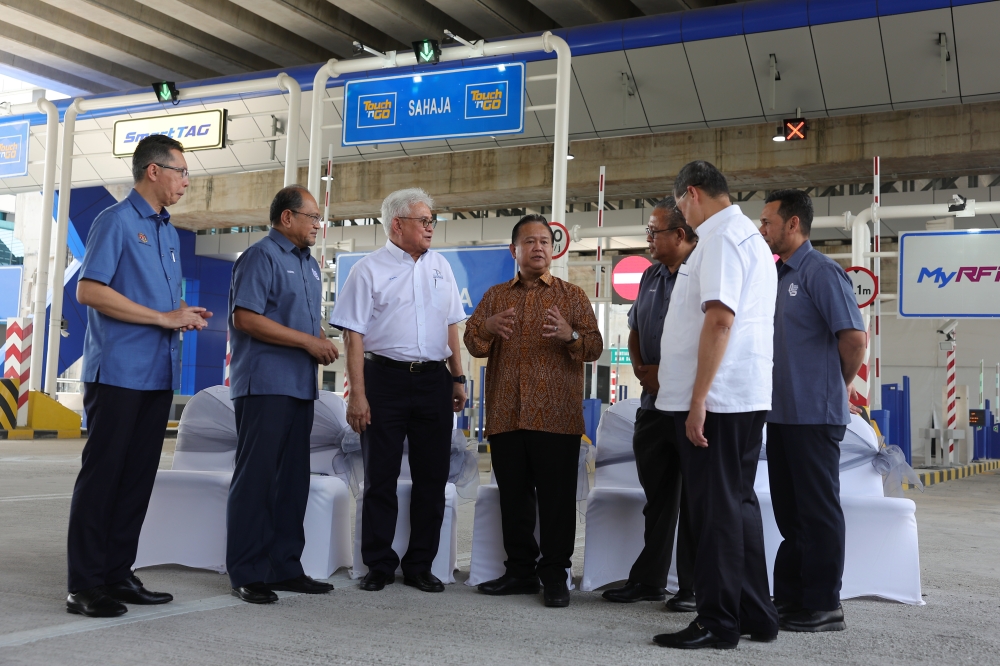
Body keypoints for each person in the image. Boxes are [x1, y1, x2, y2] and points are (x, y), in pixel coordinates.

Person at [67, 134, 212, 617]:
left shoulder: (167, 231)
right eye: (181, 172)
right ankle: (84, 585)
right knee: (103, 477)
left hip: (157, 373)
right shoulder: (116, 221)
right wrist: (161, 318)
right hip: (118, 374)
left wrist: (181, 313)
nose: (186, 181)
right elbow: (89, 291)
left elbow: (157, 304)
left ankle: (117, 573)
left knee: (136, 480)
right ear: (154, 170)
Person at [652, 161, 779, 649]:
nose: (681, 212)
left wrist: (698, 398)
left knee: (714, 513)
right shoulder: (745, 235)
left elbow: (720, 321)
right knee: (737, 505)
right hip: (739, 396)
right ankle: (756, 614)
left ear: (693, 193)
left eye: (680, 202)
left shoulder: (722, 239)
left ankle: (717, 622)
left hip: (719, 400)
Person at [329, 188, 467, 594]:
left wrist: (457, 378)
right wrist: (358, 394)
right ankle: (379, 563)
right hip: (383, 380)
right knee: (380, 476)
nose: (430, 227)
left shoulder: (442, 266)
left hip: (433, 381)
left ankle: (421, 564)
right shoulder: (367, 270)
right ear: (397, 224)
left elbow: (451, 326)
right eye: (423, 221)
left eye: (431, 221)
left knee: (432, 477)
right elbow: (353, 337)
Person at [465, 214, 602, 608]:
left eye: (544, 241)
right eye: (529, 241)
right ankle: (520, 572)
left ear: (553, 249)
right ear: (515, 250)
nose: (538, 247)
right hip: (507, 415)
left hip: (556, 417)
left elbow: (593, 348)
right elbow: (473, 343)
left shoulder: (571, 295)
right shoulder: (494, 296)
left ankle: (555, 575)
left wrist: (570, 335)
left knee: (557, 501)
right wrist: (488, 326)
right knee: (514, 498)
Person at [758, 189, 867, 632]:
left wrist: (834, 386)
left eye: (767, 222)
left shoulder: (821, 272)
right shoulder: (778, 275)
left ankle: (825, 605)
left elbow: (855, 340)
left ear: (793, 224)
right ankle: (790, 597)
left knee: (818, 512)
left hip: (815, 415)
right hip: (782, 414)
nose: (762, 229)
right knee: (790, 513)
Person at [226, 185, 339, 604]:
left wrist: (319, 338)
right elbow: (247, 318)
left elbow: (298, 323)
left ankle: (284, 566)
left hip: (299, 388)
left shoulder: (309, 266)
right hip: (264, 386)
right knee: (256, 480)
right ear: (287, 218)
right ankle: (247, 571)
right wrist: (308, 343)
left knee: (292, 481)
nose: (317, 225)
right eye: (312, 217)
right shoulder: (261, 256)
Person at [602, 197, 698, 611]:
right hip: (653, 404)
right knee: (658, 499)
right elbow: (636, 329)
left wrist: (670, 377)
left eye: (653, 232)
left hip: (692, 407)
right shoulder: (651, 277)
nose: (648, 240)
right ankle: (649, 581)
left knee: (695, 501)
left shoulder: (703, 274)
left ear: (680, 234)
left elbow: (711, 338)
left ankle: (693, 588)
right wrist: (643, 371)